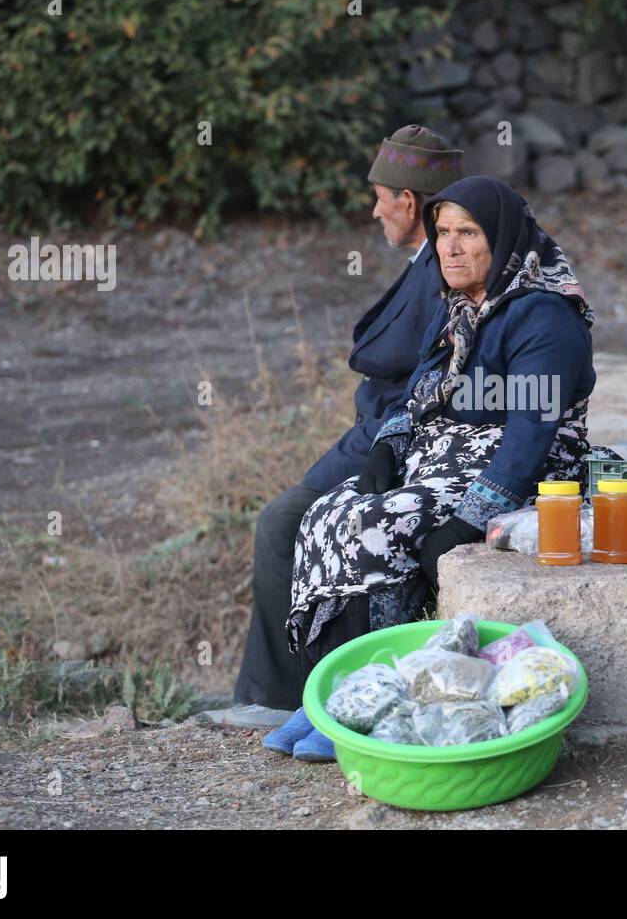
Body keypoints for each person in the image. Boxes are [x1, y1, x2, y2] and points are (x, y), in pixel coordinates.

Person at [266, 175, 598, 761]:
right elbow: (419, 393)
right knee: (324, 516)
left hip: (521, 471)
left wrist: (469, 522)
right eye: (443, 232)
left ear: (502, 239)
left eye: (467, 233)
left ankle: (374, 703)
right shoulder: (461, 310)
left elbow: (529, 436)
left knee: (374, 529)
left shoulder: (543, 319)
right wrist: (387, 447)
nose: (449, 247)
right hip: (440, 462)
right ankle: (331, 696)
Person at [201, 126, 464, 734]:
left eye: (380, 196)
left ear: (410, 201)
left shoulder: (443, 270)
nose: (373, 210)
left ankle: (277, 698)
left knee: (282, 521)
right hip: (375, 434)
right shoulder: (429, 261)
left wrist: (387, 447)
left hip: (394, 444)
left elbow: (429, 380)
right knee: (288, 517)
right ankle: (285, 692)